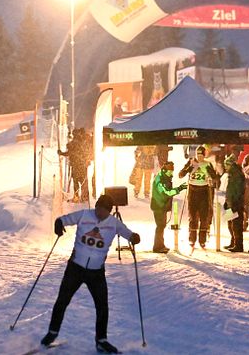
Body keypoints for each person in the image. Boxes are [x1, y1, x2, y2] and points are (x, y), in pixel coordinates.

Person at [41, 195, 140, 353]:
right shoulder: (84, 215)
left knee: (102, 306)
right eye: (98, 208)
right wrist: (58, 224)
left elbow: (127, 233)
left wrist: (134, 237)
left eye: (104, 211)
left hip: (96, 272)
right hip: (75, 268)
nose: (99, 213)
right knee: (62, 300)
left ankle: (101, 340)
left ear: (109, 211)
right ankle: (52, 333)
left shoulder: (114, 224)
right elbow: (63, 219)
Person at [179, 146, 219, 248]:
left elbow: (215, 178)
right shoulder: (191, 161)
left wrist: (210, 174)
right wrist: (190, 168)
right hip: (193, 191)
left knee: (204, 217)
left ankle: (202, 240)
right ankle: (192, 239)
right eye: (198, 155)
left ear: (204, 155)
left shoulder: (207, 163)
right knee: (192, 217)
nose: (199, 157)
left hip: (204, 191)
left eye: (201, 155)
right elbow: (180, 174)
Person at [150, 161, 186, 253]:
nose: (171, 173)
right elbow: (167, 192)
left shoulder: (165, 178)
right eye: (170, 171)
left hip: (162, 206)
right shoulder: (160, 179)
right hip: (159, 206)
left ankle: (160, 245)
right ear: (165, 170)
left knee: (162, 226)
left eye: (172, 171)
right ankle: (157, 247)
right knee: (160, 226)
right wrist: (180, 188)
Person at [59, 128, 93, 202]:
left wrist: (61, 153)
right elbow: (87, 152)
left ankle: (77, 197)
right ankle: (84, 197)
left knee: (76, 181)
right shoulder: (83, 142)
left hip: (76, 165)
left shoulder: (74, 143)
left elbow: (69, 153)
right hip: (82, 165)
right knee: (83, 181)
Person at [223, 154, 246, 252]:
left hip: (235, 204)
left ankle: (238, 244)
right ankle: (233, 242)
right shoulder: (231, 174)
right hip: (230, 203)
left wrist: (234, 203)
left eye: (226, 165)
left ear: (231, 165)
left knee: (236, 224)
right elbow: (230, 190)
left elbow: (237, 190)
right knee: (230, 223)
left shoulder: (237, 174)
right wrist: (227, 202)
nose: (225, 167)